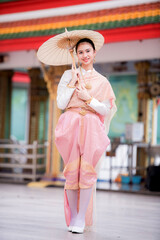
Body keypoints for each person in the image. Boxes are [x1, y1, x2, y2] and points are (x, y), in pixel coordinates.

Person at [55, 34, 116, 234]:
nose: (84, 55)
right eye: (80, 52)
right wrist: (72, 84)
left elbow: (106, 110)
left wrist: (88, 99)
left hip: (91, 127)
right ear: (76, 54)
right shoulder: (68, 75)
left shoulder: (102, 81)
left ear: (94, 52)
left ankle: (81, 218)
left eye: (87, 51)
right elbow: (61, 104)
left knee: (87, 171)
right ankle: (73, 215)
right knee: (71, 171)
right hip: (70, 124)